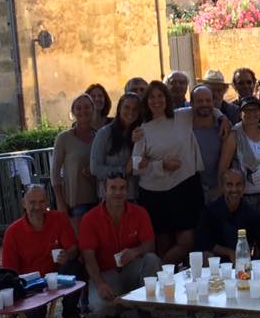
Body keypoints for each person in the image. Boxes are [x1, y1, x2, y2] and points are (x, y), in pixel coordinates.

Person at [133, 81, 205, 264]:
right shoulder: (143, 130)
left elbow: (207, 110)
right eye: (152, 97)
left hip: (185, 186)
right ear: (146, 102)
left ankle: (160, 271)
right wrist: (161, 165)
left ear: (167, 98)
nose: (156, 101)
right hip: (155, 193)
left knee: (187, 242)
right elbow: (135, 165)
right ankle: (165, 282)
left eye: (160, 96)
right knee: (163, 243)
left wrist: (223, 118)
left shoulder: (183, 116)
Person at [79, 172, 161, 318]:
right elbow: (88, 257)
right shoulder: (90, 218)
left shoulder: (139, 212)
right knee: (98, 306)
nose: (118, 192)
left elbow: (150, 245)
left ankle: (144, 309)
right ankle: (118, 307)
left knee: (152, 259)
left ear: (127, 190)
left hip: (132, 268)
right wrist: (100, 283)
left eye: (122, 188)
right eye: (113, 188)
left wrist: (135, 252)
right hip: (106, 273)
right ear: (104, 190)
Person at [0, 184, 84, 318]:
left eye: (41, 202)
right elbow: (8, 272)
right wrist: (9, 312)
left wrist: (67, 254)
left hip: (56, 276)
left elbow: (73, 248)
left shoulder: (59, 218)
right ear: (23, 203)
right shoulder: (13, 232)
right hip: (31, 284)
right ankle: (33, 313)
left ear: (47, 203)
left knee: (74, 265)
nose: (37, 207)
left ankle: (71, 313)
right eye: (32, 202)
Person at [218, 95, 260, 261]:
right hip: (244, 194)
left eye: (255, 110)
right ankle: (249, 263)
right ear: (240, 113)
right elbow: (223, 168)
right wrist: (227, 193)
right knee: (248, 232)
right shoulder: (234, 135)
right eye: (247, 110)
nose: (252, 114)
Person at [194, 168, 260, 262]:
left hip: (243, 265)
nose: (234, 189)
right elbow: (201, 242)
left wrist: (253, 264)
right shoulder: (209, 211)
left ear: (244, 187)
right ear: (222, 187)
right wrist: (228, 252)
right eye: (229, 185)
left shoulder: (252, 213)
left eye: (238, 184)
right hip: (216, 264)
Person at [51, 93, 98, 234]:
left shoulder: (100, 136)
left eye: (87, 107)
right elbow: (54, 171)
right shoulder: (64, 138)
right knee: (81, 242)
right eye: (78, 108)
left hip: (99, 199)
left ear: (93, 109)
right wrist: (59, 200)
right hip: (76, 201)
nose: (83, 111)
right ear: (73, 112)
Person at [90, 92, 142, 201]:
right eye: (126, 107)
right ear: (119, 109)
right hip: (110, 198)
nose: (131, 112)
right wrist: (122, 170)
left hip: (134, 196)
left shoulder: (141, 133)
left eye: (135, 109)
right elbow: (95, 168)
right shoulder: (104, 134)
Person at [190, 85, 227, 202]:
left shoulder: (223, 127)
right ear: (191, 103)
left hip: (218, 190)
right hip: (191, 191)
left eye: (208, 100)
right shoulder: (184, 126)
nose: (204, 104)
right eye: (199, 101)